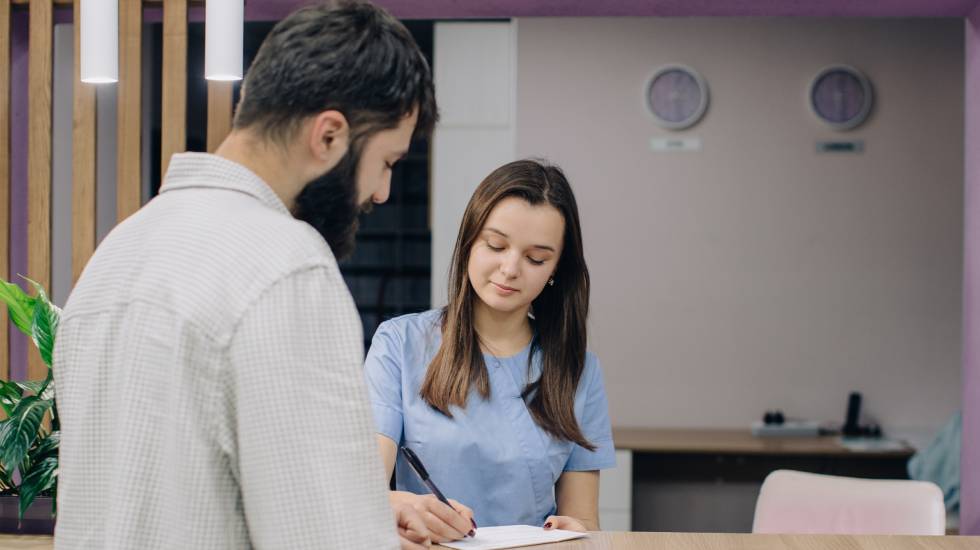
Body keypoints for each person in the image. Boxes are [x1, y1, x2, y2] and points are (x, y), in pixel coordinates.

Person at [53, 2, 437, 548]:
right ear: (329, 136)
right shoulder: (289, 265)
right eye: (387, 162)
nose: (381, 193)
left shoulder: (115, 254)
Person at [364, 160, 616, 541]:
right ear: (469, 242)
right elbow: (364, 492)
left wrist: (575, 531)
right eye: (495, 245)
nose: (510, 268)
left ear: (555, 271)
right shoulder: (399, 344)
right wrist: (402, 506)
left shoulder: (577, 370)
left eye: (536, 258)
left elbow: (584, 521)